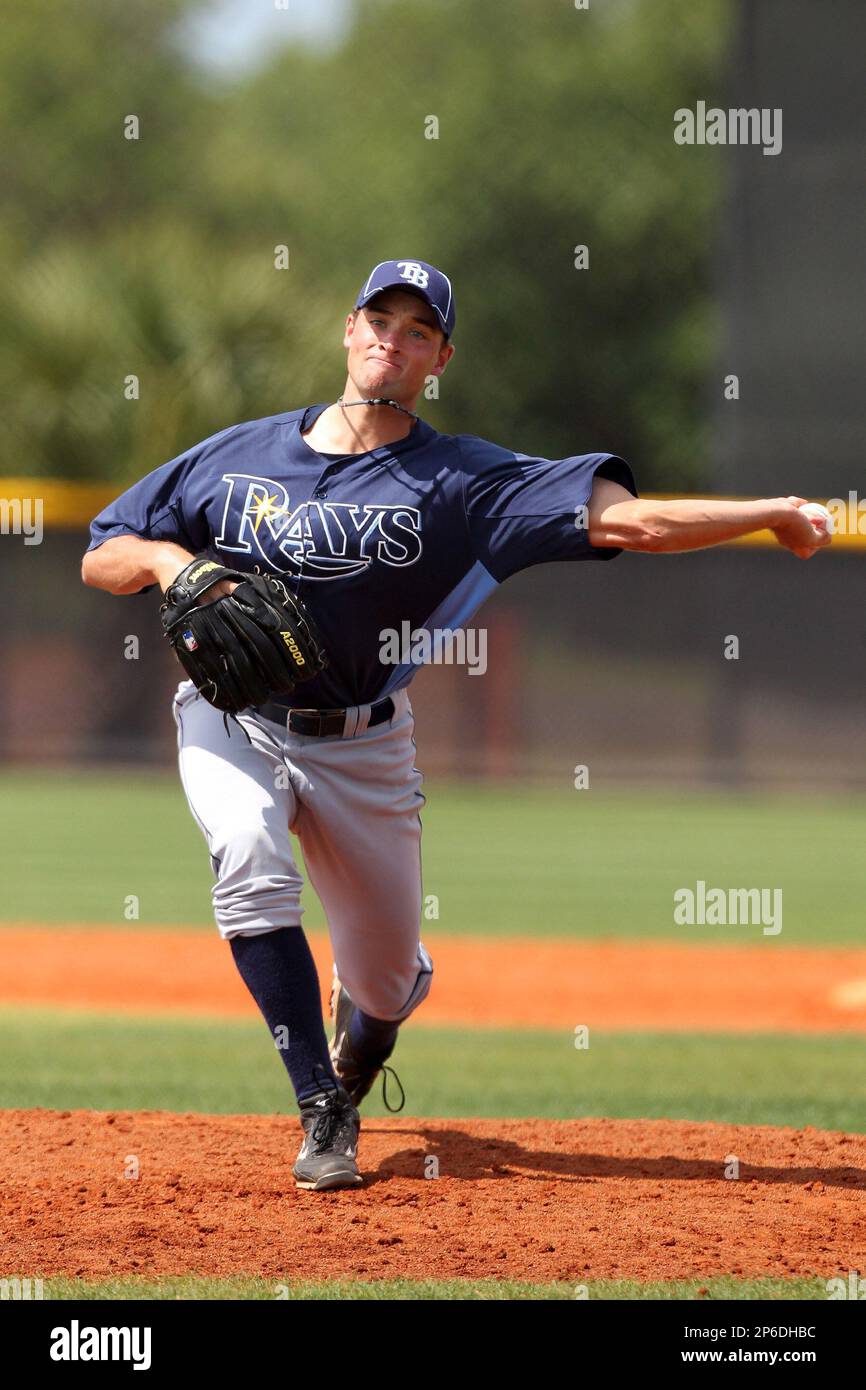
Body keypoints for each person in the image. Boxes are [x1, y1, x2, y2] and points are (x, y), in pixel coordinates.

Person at [81, 257, 831, 1191]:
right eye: (379, 320)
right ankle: (323, 1106)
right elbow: (102, 550)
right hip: (235, 719)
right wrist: (165, 562)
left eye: (417, 331)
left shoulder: (466, 481)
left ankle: (368, 1028)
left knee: (388, 982)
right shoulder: (234, 456)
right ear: (348, 329)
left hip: (365, 743)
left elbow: (632, 523)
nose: (392, 341)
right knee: (247, 854)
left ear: (439, 358)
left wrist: (769, 512)